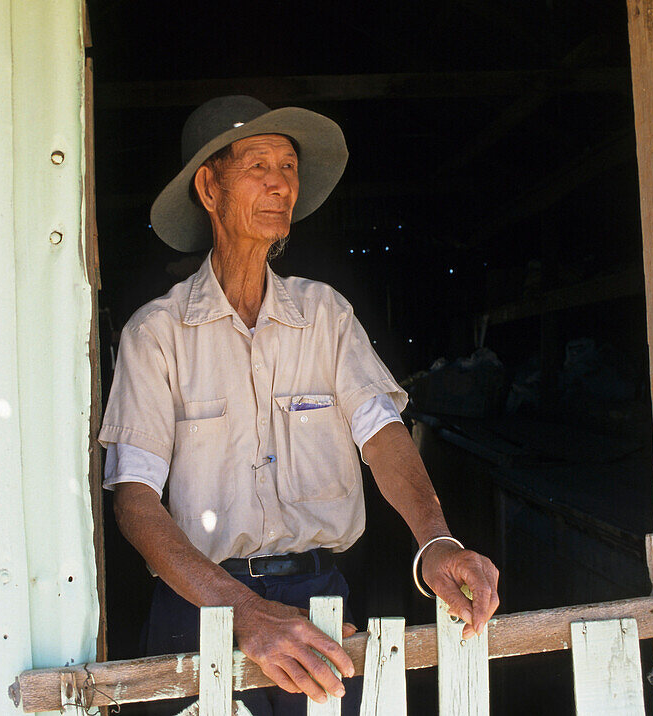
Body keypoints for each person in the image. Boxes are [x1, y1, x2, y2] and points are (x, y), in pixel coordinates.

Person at [99, 95, 500, 715]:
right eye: (259, 165)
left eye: (288, 167)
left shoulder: (325, 315)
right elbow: (134, 501)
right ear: (209, 187)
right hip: (198, 607)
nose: (280, 183)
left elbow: (383, 436)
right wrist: (247, 613)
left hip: (320, 604)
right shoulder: (156, 333)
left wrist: (436, 541)